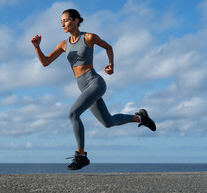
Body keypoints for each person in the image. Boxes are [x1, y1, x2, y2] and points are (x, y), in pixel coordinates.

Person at [31, 9, 156, 170]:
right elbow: (46, 62)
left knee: (73, 113)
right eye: (61, 22)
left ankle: (81, 155)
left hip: (95, 82)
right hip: (83, 87)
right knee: (108, 122)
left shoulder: (88, 37)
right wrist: (37, 47)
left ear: (76, 21)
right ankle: (141, 118)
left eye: (66, 20)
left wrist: (111, 65)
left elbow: (108, 47)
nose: (62, 24)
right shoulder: (64, 45)